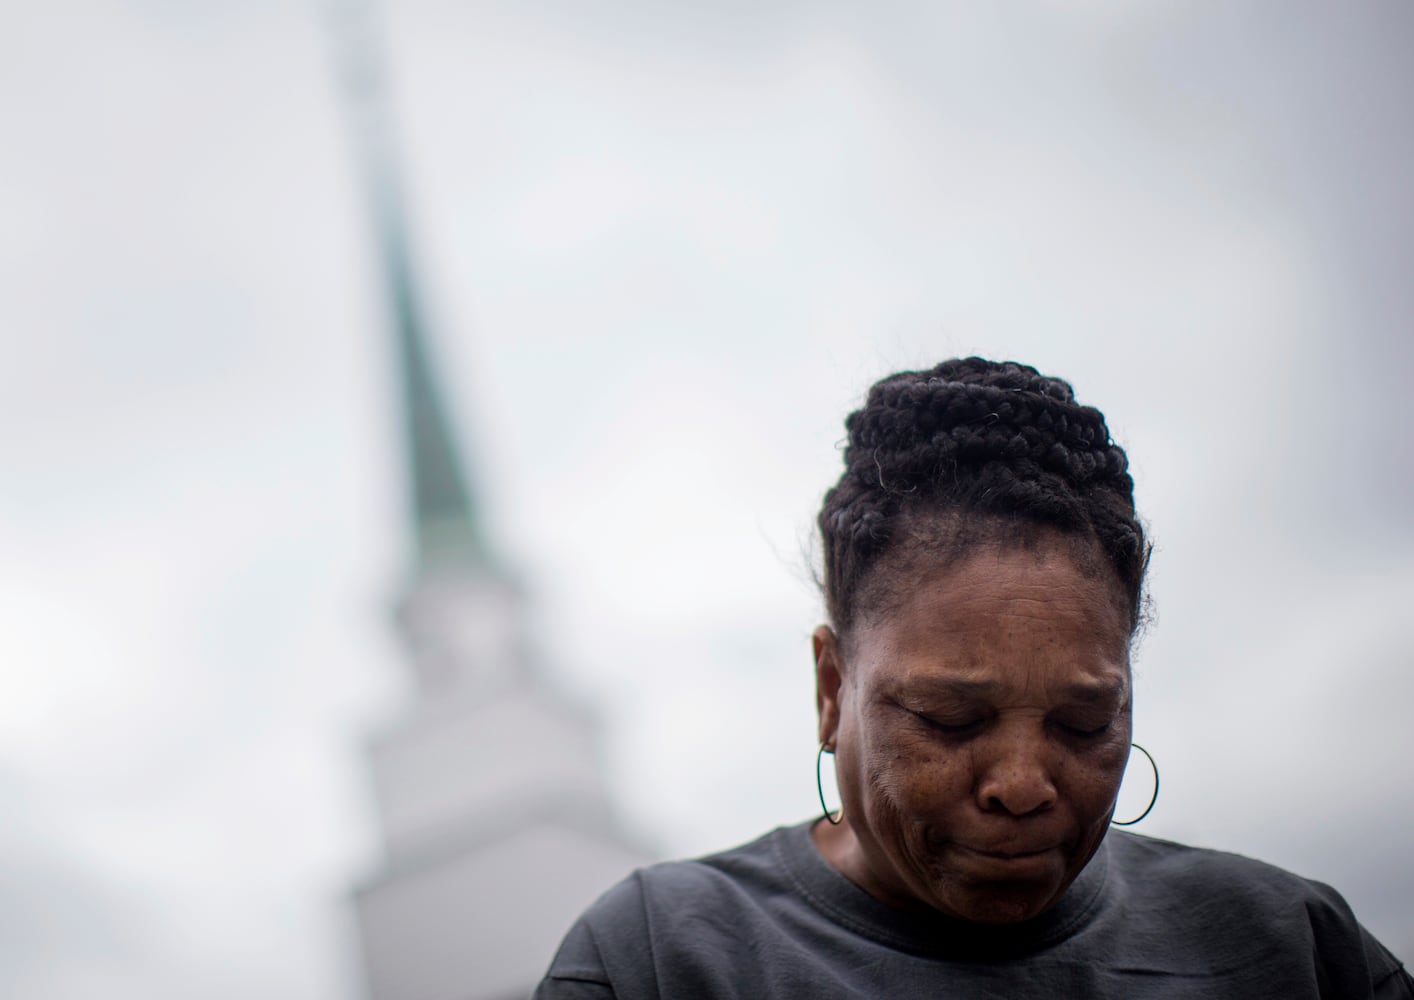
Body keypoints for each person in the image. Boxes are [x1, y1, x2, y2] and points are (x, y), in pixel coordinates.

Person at [534, 357, 1412, 999]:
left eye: (1084, 722)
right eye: (951, 718)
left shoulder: (1291, 952)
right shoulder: (658, 961)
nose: (1024, 787)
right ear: (832, 689)